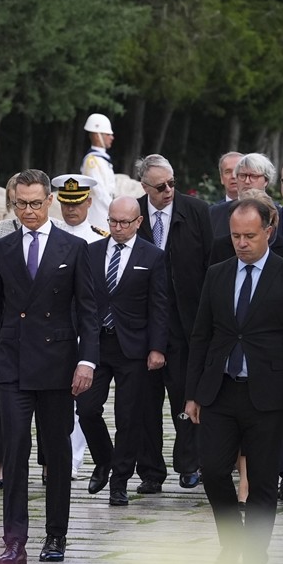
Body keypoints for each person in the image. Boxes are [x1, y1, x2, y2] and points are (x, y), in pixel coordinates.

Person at [185, 196, 283, 564]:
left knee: (261, 478)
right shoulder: (218, 273)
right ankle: (231, 542)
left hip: (268, 395)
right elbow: (201, 335)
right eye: (235, 236)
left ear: (268, 233)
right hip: (220, 389)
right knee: (211, 470)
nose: (241, 243)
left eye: (249, 236)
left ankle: (256, 552)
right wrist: (192, 394)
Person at [0, 169, 99, 564]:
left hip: (58, 363)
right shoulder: (1, 248)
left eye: (34, 203)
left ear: (50, 201)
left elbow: (89, 312)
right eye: (20, 203)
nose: (27, 211)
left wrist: (86, 359)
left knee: (57, 453)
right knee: (13, 450)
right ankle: (14, 541)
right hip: (11, 362)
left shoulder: (73, 248)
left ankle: (56, 536)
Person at [76, 196, 169, 506]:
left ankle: (119, 481)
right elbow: (83, 301)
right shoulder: (91, 251)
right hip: (97, 343)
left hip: (134, 346)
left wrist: (157, 348)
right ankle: (104, 460)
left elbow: (159, 306)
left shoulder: (153, 256)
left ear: (138, 222)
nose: (117, 227)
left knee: (128, 417)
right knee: (87, 408)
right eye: (113, 221)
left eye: (124, 222)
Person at [136, 154, 213, 490]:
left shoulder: (196, 212)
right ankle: (151, 472)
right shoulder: (133, 213)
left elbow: (211, 266)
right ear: (144, 187)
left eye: (172, 183)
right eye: (160, 186)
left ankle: (189, 463)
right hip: (142, 327)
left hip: (186, 325)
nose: (168, 190)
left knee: (186, 399)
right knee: (144, 405)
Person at [51, 173, 108, 479]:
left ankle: (73, 459)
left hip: (84, 325)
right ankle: (55, 456)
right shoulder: (51, 235)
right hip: (54, 325)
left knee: (81, 397)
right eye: (65, 203)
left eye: (77, 203)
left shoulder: (100, 238)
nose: (71, 209)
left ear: (88, 201)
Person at [210, 152, 275, 241]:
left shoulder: (278, 213)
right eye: (242, 176)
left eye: (253, 176)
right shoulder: (215, 213)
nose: (247, 181)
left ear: (266, 181)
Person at [80, 113, 117, 230]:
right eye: (108, 134)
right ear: (97, 136)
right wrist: (115, 209)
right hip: (98, 216)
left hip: (107, 213)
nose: (112, 137)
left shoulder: (102, 159)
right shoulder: (92, 161)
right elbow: (100, 191)